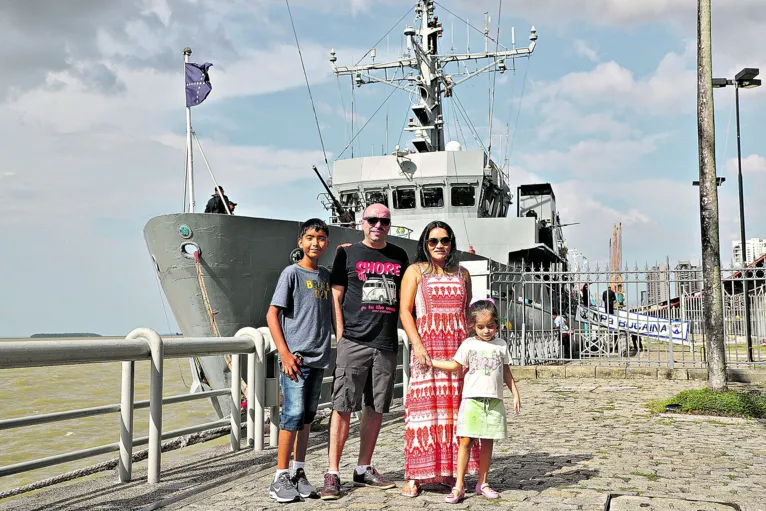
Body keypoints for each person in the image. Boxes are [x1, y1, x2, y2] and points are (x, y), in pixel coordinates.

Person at [320, 204, 409, 500]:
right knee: (343, 405)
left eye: (384, 221)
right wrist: (341, 334)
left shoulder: (399, 256)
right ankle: (332, 472)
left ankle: (363, 468)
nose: (378, 225)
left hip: (384, 343)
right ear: (362, 222)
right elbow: (336, 295)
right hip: (354, 341)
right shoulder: (347, 253)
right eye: (372, 219)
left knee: (376, 408)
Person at [398, 221, 480, 497]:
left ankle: (448, 472)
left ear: (451, 242)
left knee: (454, 413)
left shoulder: (463, 273)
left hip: (457, 350)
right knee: (422, 412)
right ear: (425, 243)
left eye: (444, 240)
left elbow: (467, 316)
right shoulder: (415, 271)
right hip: (428, 348)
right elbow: (406, 312)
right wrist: (417, 346)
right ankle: (414, 475)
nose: (439, 245)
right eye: (433, 241)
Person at [266, 218, 333, 503]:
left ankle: (298, 471)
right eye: (309, 237)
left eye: (320, 238)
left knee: (306, 418)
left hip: (318, 359)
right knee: (291, 416)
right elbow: (272, 314)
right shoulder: (291, 273)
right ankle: (279, 476)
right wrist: (284, 353)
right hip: (296, 359)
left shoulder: (326, 277)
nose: (315, 243)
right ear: (300, 242)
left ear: (326, 243)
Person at [431, 300, 521, 504]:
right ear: (473, 326)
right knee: (465, 441)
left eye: (490, 326)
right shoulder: (469, 344)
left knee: (488, 441)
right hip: (472, 400)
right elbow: (455, 365)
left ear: (497, 324)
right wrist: (432, 361)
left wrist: (515, 393)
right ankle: (459, 485)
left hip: (494, 402)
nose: (486, 331)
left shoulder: (501, 345)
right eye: (481, 327)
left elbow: (506, 371)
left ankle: (483, 482)